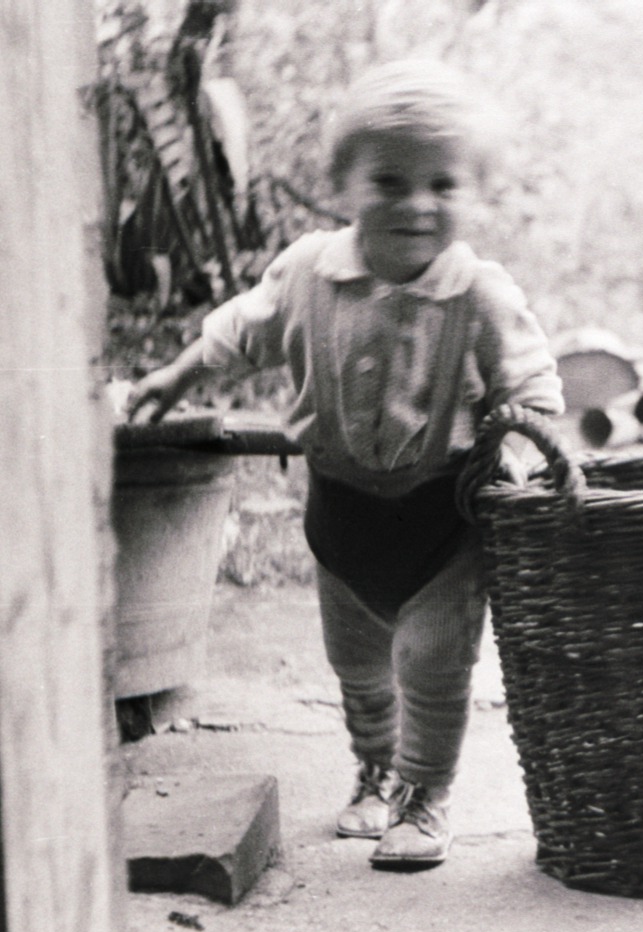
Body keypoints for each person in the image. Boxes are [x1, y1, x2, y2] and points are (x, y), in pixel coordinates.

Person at [126, 60, 564, 869]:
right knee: (360, 666)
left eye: (443, 183)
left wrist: (525, 439)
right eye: (389, 180)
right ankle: (373, 767)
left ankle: (424, 794)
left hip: (444, 520)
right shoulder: (307, 273)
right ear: (343, 182)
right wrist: (178, 374)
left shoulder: (481, 294)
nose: (417, 203)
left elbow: (532, 380)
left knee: (433, 664)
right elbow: (238, 330)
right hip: (342, 515)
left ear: (473, 192)